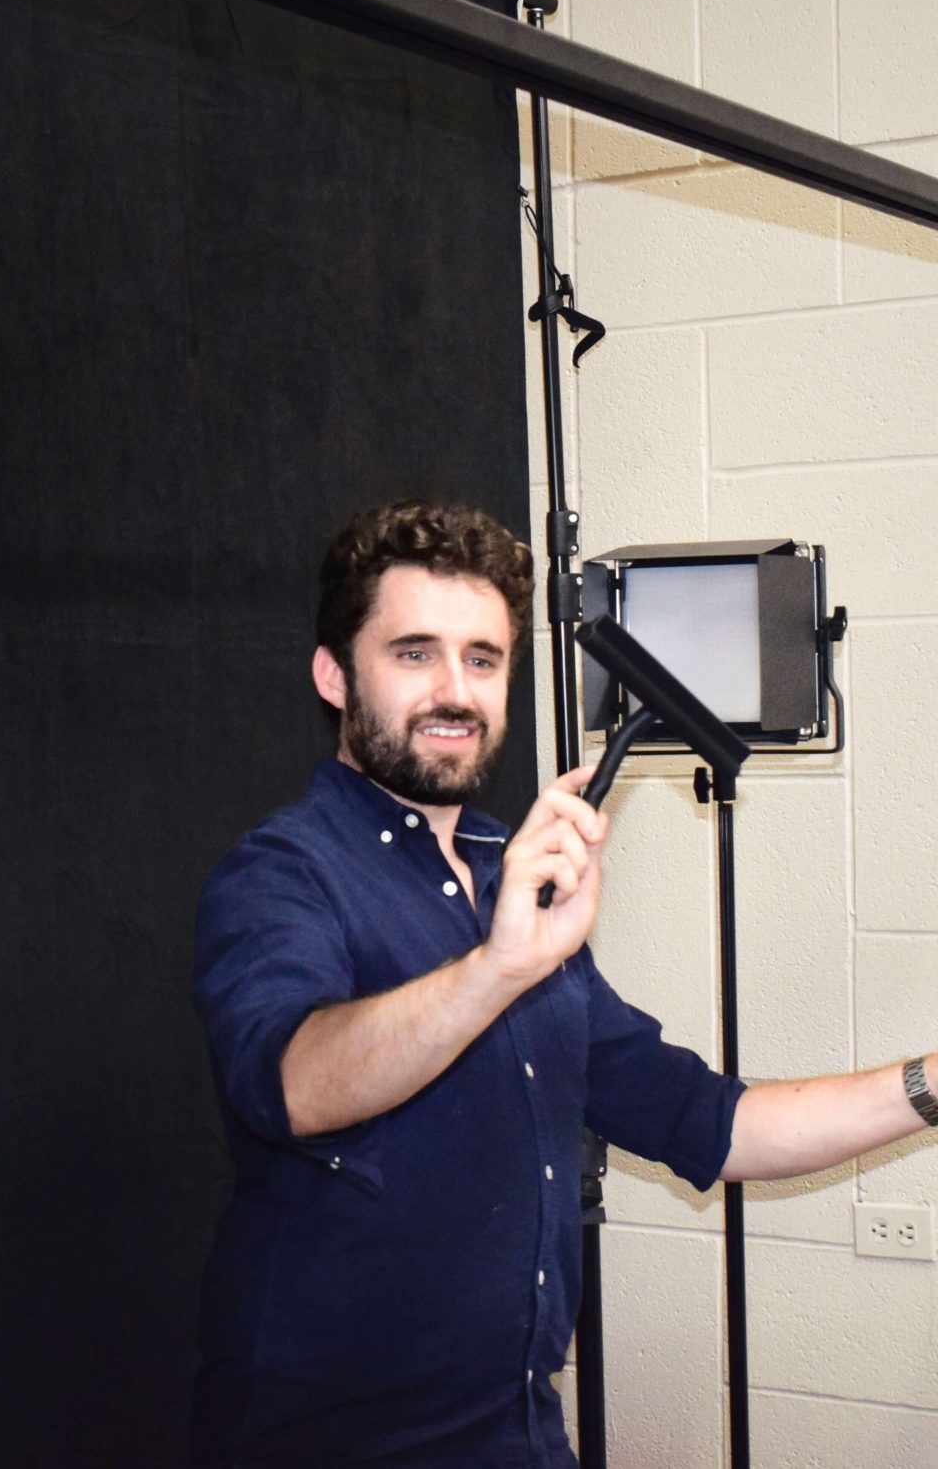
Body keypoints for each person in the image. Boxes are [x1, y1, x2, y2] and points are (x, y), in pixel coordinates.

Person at [190, 499, 937, 1469]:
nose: (455, 690)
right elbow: (295, 1082)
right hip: (327, 1443)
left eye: (484, 658)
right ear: (335, 675)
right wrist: (499, 967)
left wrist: (927, 1083)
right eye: (414, 653)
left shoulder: (517, 881)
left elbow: (708, 1120)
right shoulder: (284, 874)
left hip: (519, 1433)